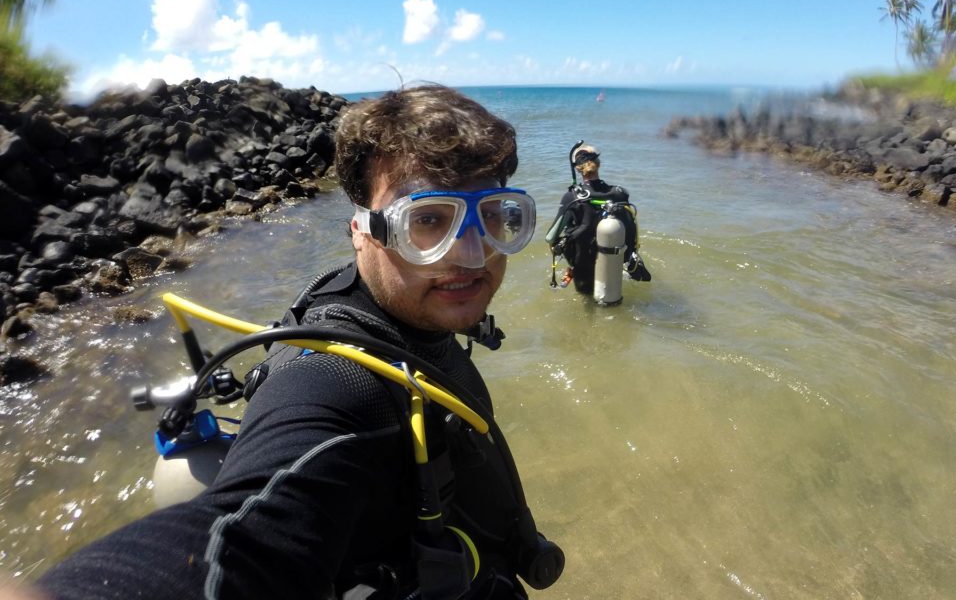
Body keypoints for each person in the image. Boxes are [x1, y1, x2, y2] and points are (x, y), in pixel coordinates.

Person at [34, 85, 563, 600]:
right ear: (362, 229)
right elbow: (241, 538)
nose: (472, 255)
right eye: (426, 222)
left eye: (496, 216)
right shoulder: (334, 385)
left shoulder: (389, 307)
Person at [547, 143, 650, 295]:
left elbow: (550, 237)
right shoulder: (620, 193)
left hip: (583, 266)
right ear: (598, 164)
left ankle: (572, 270)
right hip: (613, 264)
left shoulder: (572, 197)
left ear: (578, 168)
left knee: (588, 301)